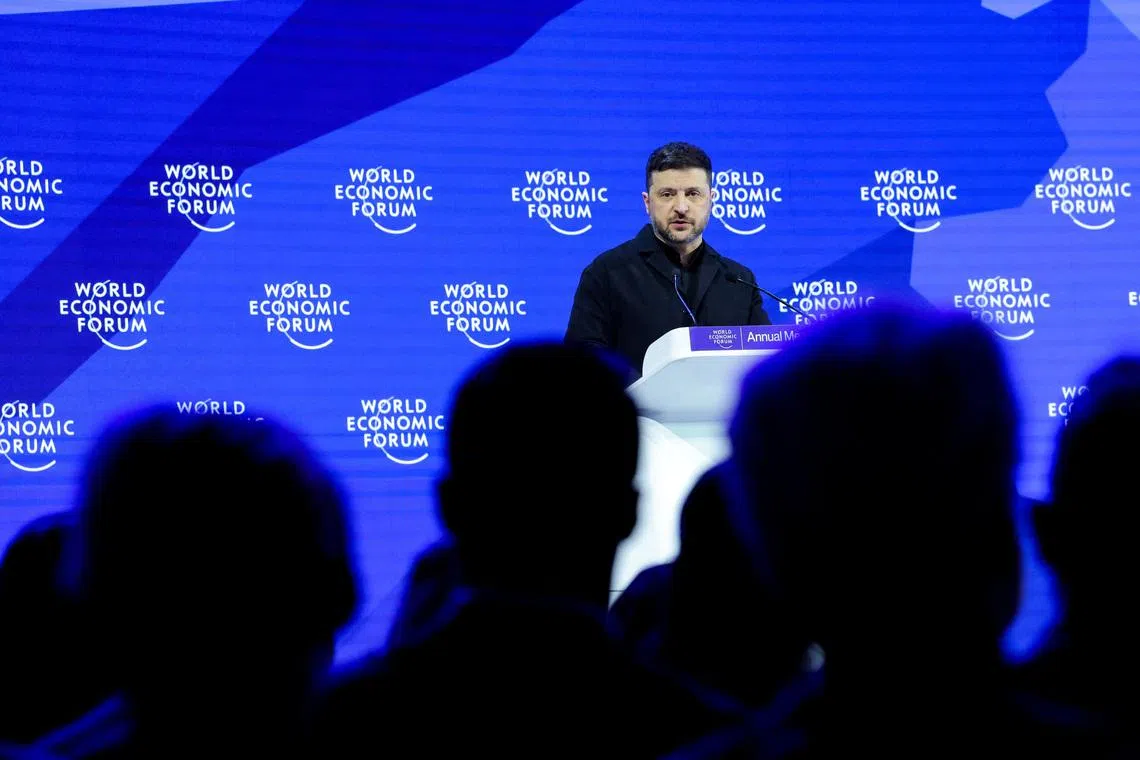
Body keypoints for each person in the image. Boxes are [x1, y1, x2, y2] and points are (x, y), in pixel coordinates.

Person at [565, 141, 771, 378]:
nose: (681, 207)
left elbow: (763, 364)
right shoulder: (607, 273)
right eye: (667, 194)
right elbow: (581, 364)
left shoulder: (739, 280)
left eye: (693, 194)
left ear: (711, 200)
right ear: (647, 203)